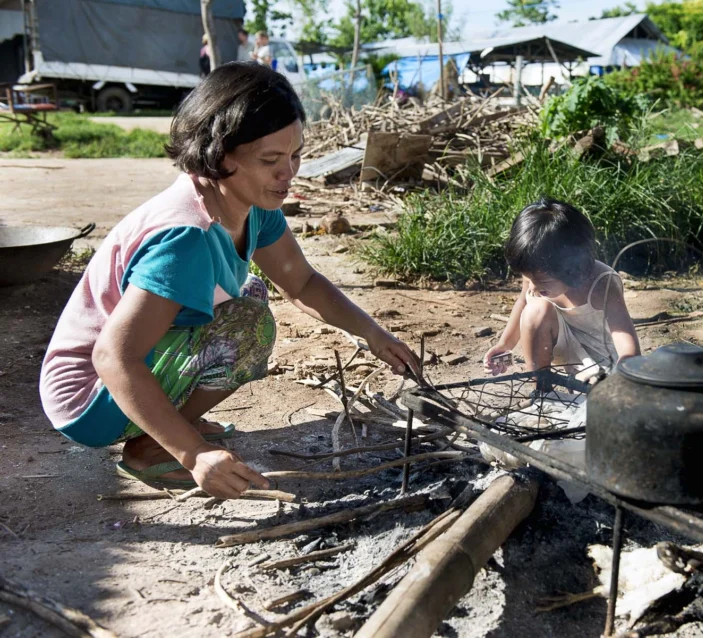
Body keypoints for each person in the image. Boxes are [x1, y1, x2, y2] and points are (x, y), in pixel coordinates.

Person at [39, 63, 419, 500]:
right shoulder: (185, 238)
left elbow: (301, 282)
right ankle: (151, 447)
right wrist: (194, 454)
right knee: (248, 322)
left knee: (251, 300)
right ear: (220, 156)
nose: (288, 173)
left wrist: (372, 333)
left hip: (125, 370)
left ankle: (167, 425)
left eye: (295, 155)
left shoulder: (253, 204)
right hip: (89, 399)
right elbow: (112, 358)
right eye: (271, 160)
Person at [484, 198, 640, 382]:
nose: (533, 287)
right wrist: (505, 344)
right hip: (563, 352)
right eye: (529, 278)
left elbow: (624, 336)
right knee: (535, 310)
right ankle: (542, 388)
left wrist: (628, 369)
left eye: (541, 280)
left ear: (572, 269)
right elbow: (523, 303)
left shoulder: (601, 285)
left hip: (601, 360)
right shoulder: (536, 271)